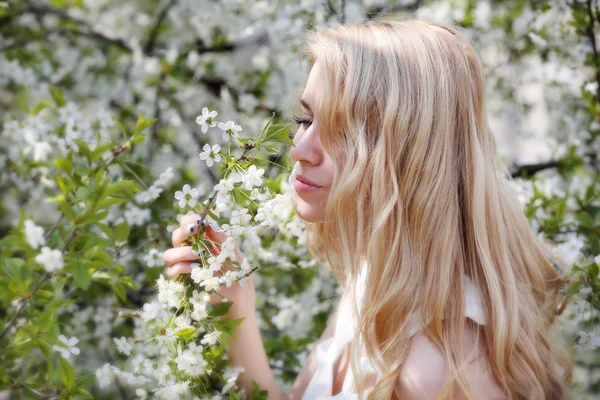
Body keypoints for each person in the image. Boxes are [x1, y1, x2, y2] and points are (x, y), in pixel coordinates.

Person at [163, 17, 572, 400]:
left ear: (409, 156)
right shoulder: (374, 283)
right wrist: (235, 304)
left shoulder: (443, 374)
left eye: (340, 129)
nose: (299, 148)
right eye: (305, 119)